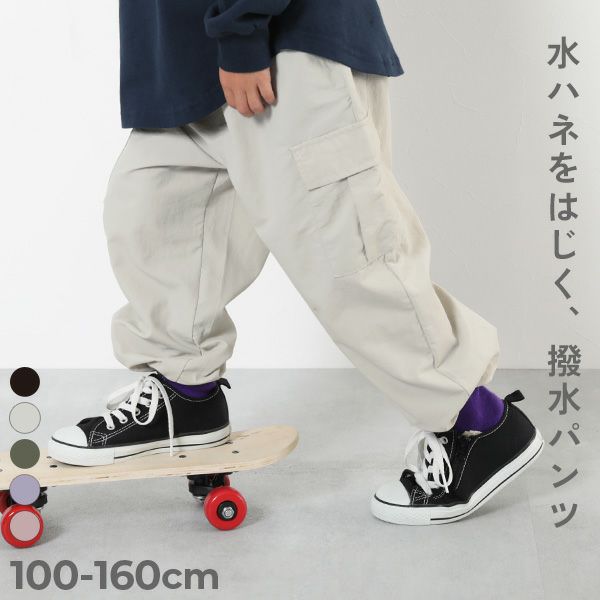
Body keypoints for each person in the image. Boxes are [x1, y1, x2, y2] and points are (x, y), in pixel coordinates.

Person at [48, 0, 544, 525]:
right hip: (178, 53)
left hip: (279, 43)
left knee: (347, 258)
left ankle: (480, 425)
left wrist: (242, 31)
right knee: (152, 221)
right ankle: (184, 395)